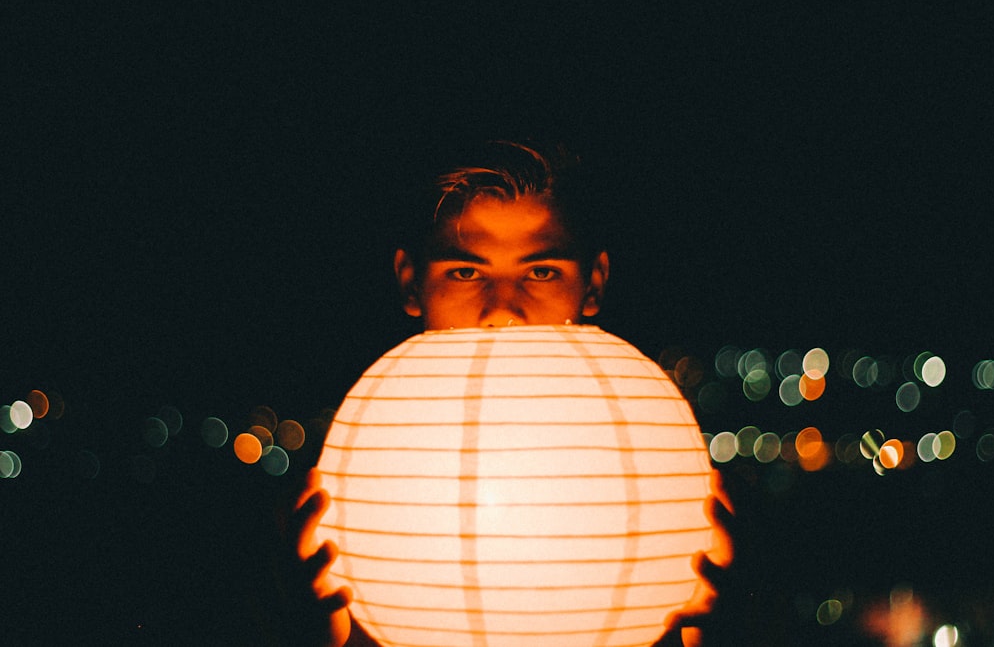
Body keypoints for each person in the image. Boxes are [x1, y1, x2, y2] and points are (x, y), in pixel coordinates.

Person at [286, 140, 735, 647]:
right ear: (410, 282)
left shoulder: (643, 454)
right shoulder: (372, 465)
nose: (503, 310)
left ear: (595, 284)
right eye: (466, 272)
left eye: (540, 272)